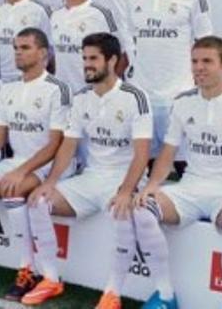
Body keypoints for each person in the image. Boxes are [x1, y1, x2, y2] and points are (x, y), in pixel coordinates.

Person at [123, 36, 222, 309]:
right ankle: (166, 295)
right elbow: (168, 153)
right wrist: (152, 184)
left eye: (207, 61)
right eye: (194, 61)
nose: (199, 68)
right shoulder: (182, 102)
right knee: (143, 208)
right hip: (190, 188)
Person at [22, 33, 151, 307]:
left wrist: (127, 190)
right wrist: (51, 181)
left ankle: (112, 292)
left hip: (122, 179)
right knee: (38, 201)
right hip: (91, 178)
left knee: (123, 209)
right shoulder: (81, 98)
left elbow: (142, 154)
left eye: (93, 58)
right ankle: (51, 279)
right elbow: (68, 146)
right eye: (84, 59)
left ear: (113, 60)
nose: (87, 65)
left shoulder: (135, 97)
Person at [0, 28, 73, 297]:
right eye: (16, 47)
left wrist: (21, 171)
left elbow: (55, 144)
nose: (17, 52)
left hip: (47, 166)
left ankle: (27, 268)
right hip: (17, 163)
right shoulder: (9, 89)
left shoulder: (57, 89)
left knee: (13, 187)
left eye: (25, 47)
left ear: (43, 54)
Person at [128, 0, 213, 168]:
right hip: (143, 93)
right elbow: (129, 43)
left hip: (178, 93)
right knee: (145, 165)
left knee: (184, 166)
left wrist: (200, 83)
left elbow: (206, 44)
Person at [51, 0, 122, 93]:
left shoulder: (100, 14)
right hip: (62, 98)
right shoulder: (55, 15)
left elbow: (119, 56)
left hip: (91, 97)